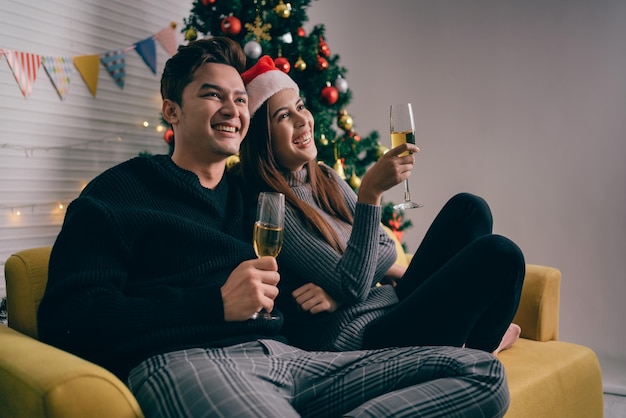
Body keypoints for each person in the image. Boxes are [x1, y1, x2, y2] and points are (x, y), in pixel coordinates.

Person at [37, 38, 511, 418]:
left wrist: (341, 291)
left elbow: (333, 269)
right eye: (211, 94)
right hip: (192, 362)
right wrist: (215, 303)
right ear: (171, 111)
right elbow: (68, 321)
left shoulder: (254, 199)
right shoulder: (118, 193)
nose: (232, 108)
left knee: (483, 373)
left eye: (240, 99)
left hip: (294, 358)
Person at [238, 55, 525, 356]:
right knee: (501, 254)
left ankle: (463, 339)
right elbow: (353, 284)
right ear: (262, 138)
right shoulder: (274, 206)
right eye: (283, 116)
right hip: (364, 337)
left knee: (470, 208)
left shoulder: (325, 177)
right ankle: (477, 350)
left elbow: (385, 245)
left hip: (389, 306)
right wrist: (370, 194)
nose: (302, 120)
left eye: (300, 107)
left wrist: (338, 294)